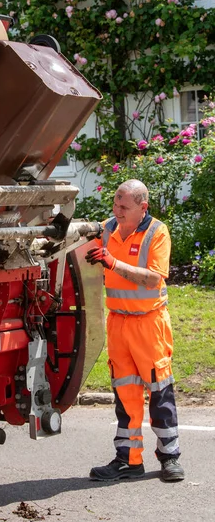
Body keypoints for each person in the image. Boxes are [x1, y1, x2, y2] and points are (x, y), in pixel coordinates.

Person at [85, 179, 184, 482]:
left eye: (123, 207)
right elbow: (75, 236)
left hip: (149, 324)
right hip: (118, 323)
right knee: (125, 394)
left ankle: (170, 458)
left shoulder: (157, 232)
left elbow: (154, 279)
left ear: (143, 207)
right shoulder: (107, 228)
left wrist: (113, 263)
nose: (117, 211)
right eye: (115, 204)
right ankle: (128, 459)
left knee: (159, 392)